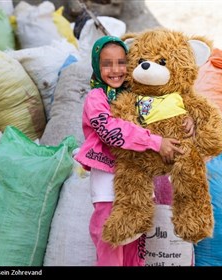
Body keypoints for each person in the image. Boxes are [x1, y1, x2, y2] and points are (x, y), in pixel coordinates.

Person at [74, 36, 194, 266]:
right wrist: (156, 142)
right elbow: (110, 130)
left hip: (138, 180)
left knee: (135, 242)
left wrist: (186, 120)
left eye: (122, 62)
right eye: (107, 64)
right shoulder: (96, 98)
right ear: (97, 67)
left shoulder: (138, 97)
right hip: (108, 181)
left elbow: (162, 114)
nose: (116, 70)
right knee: (109, 237)